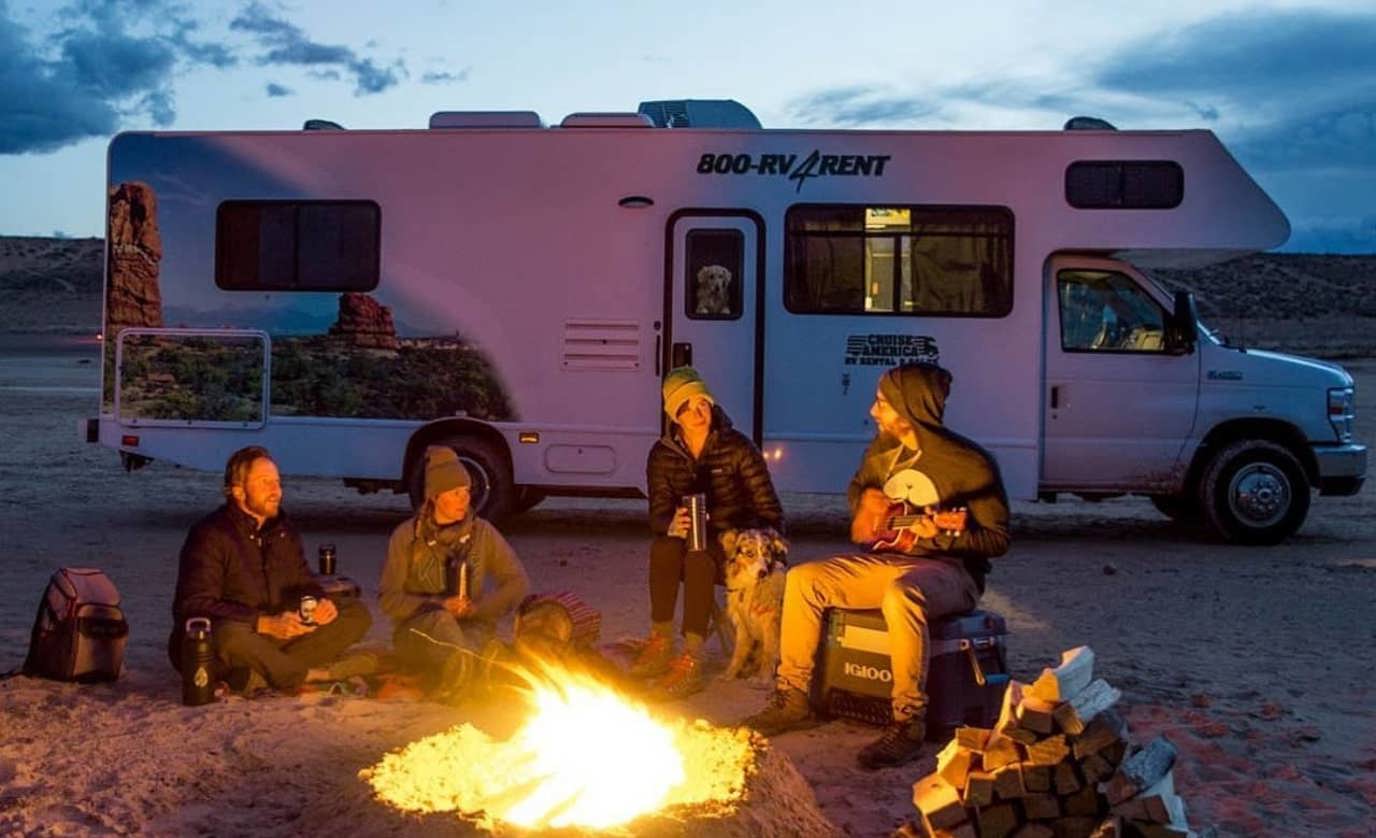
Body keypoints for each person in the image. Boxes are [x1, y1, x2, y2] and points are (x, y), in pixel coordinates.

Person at [742, 362, 1010, 769]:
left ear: (909, 409)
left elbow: (997, 539)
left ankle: (908, 721)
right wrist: (870, 507)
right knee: (804, 580)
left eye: (882, 403)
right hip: (886, 559)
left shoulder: (970, 464)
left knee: (902, 596)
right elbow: (860, 498)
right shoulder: (883, 452)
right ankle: (793, 696)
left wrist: (943, 535)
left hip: (950, 572)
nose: (873, 410)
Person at [170, 446, 373, 694]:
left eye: (277, 482)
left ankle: (259, 675)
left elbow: (303, 582)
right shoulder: (211, 534)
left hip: (275, 634)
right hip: (232, 639)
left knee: (355, 613)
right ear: (238, 491)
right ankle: (307, 674)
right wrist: (263, 623)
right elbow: (194, 603)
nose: (276, 491)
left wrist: (319, 602)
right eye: (265, 482)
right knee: (229, 634)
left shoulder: (283, 531)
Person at [633, 366, 784, 698]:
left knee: (699, 560)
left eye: (700, 402)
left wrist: (742, 535)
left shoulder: (737, 447)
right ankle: (660, 640)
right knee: (663, 548)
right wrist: (670, 523)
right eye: (684, 407)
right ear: (674, 415)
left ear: (710, 403)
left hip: (733, 547)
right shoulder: (662, 454)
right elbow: (656, 514)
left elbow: (771, 511)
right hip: (687, 540)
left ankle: (692, 657)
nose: (695, 413)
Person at [378, 445, 530, 700]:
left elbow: (516, 582)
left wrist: (478, 608)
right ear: (435, 496)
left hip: (471, 628)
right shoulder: (407, 536)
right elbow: (388, 599)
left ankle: (465, 676)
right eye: (456, 492)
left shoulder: (482, 533)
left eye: (467, 491)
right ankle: (462, 684)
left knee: (476, 642)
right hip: (419, 632)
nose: (465, 499)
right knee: (443, 623)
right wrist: (437, 605)